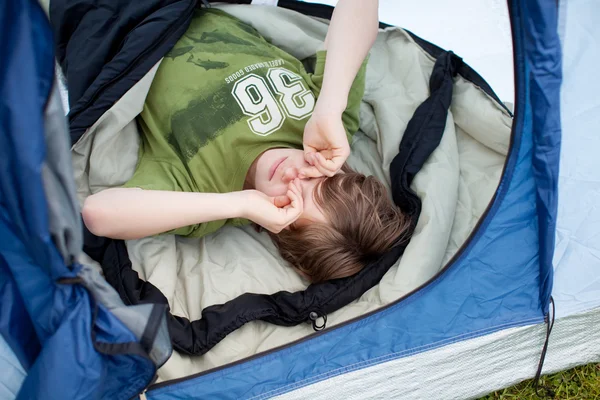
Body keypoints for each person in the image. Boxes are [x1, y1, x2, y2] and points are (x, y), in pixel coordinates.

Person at [82, 0, 409, 283]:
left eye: (292, 204)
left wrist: (239, 203)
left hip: (115, 25)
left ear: (276, 228)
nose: (293, 177)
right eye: (318, 180)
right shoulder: (331, 130)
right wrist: (330, 104)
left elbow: (98, 213)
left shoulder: (205, 194)